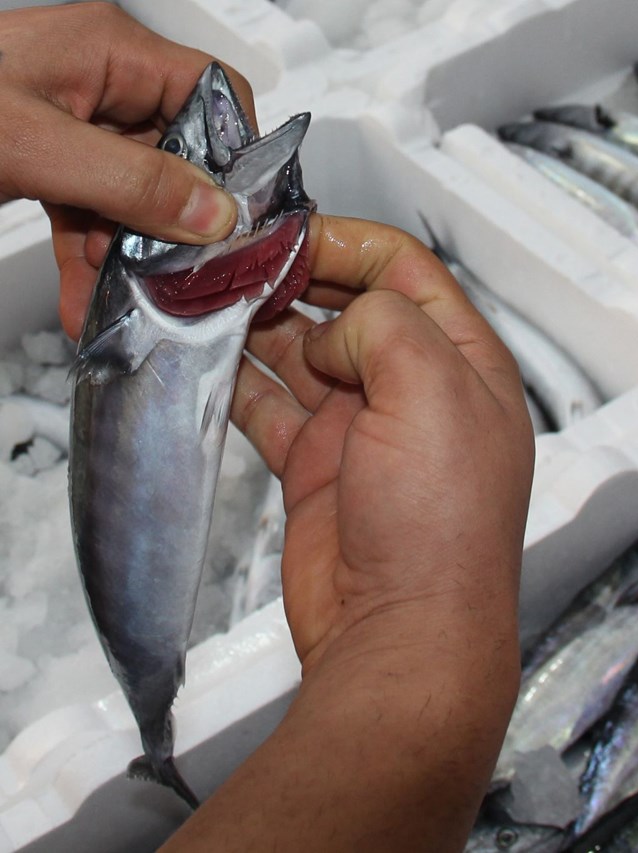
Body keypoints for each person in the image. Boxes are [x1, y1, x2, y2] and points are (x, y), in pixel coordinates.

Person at [1, 4, 534, 850]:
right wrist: (425, 625)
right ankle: (158, 737)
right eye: (179, 170)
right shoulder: (132, 314)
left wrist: (405, 628)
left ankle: (158, 740)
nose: (204, 148)